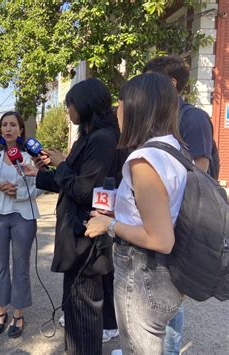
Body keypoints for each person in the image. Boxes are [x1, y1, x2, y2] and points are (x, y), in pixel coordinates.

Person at [85, 72, 186, 354]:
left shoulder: (145, 160)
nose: (117, 111)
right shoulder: (173, 149)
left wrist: (110, 224)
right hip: (162, 275)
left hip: (142, 274)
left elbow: (160, 239)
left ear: (137, 107)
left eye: (121, 104)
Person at [21, 78, 121, 354]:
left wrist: (61, 163)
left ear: (85, 105)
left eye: (70, 105)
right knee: (74, 308)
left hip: (87, 237)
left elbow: (84, 189)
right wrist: (40, 174)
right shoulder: (87, 138)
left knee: (86, 312)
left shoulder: (103, 140)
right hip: (76, 235)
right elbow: (69, 182)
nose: (68, 111)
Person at [143, 55, 220, 354]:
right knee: (156, 292)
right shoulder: (160, 120)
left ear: (172, 84)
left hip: (183, 222)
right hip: (163, 219)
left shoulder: (193, 118)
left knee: (171, 294)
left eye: (152, 82)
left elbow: (198, 172)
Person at [0, 111, 43, 338]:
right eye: (4, 125)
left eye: (13, 125)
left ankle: (18, 313)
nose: (8, 129)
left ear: (21, 130)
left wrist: (19, 193)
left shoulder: (28, 157)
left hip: (23, 217)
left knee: (21, 266)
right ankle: (0, 311)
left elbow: (40, 187)